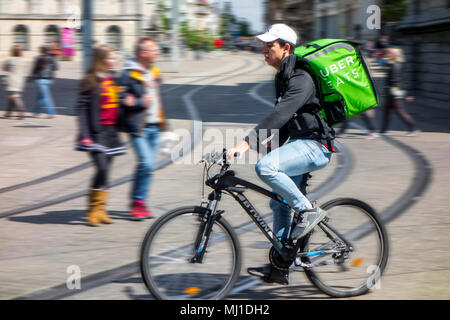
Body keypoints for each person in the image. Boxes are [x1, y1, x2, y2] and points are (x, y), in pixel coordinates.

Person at [227, 24, 334, 285]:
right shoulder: (282, 77)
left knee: (266, 168)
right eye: (263, 44)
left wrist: (246, 143)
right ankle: (280, 267)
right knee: (279, 203)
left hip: (316, 145)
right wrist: (269, 149)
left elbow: (280, 114)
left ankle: (309, 211)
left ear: (286, 48)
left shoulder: (301, 79)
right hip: (299, 143)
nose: (263, 49)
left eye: (269, 45)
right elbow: (286, 125)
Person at [76, 45, 127, 227]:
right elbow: (81, 110)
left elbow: (116, 104)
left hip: (111, 132)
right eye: (111, 57)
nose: (114, 61)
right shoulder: (89, 80)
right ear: (102, 59)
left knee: (107, 171)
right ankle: (93, 209)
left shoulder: (112, 79)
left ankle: (101, 209)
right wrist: (85, 134)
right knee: (102, 168)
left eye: (114, 58)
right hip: (95, 133)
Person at [118, 38, 168, 220]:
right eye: (154, 50)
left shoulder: (154, 72)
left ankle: (140, 202)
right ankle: (137, 201)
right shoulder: (128, 74)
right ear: (143, 53)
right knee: (146, 163)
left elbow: (158, 100)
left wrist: (164, 123)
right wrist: (139, 101)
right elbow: (122, 98)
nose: (157, 53)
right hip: (137, 126)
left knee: (148, 166)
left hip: (155, 125)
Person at [380, 47, 417, 136]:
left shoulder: (396, 64)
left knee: (399, 111)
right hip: (394, 91)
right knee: (387, 110)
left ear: (395, 55)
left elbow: (394, 79)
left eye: (391, 53)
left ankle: (413, 129)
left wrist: (388, 89)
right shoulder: (394, 63)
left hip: (394, 92)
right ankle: (383, 130)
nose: (389, 55)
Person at [31, 45, 58, 118]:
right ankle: (36, 113)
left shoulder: (37, 58)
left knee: (46, 97)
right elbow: (56, 68)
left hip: (40, 79)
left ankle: (51, 113)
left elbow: (34, 69)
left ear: (41, 51)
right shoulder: (51, 58)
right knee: (41, 97)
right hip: (49, 79)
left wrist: (32, 76)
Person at [2, 45, 27, 119]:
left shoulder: (9, 59)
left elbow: (4, 68)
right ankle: (8, 114)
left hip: (12, 80)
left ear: (12, 51)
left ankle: (22, 112)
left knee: (14, 97)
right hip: (20, 80)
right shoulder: (23, 60)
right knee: (12, 97)